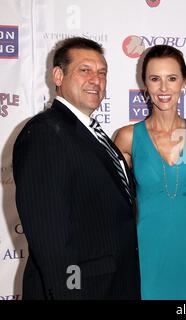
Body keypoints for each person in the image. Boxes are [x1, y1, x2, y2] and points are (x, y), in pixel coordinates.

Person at [13, 37, 140, 299]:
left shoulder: (93, 134)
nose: (96, 79)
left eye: (102, 73)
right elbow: (50, 237)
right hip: (82, 290)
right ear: (58, 75)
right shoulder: (45, 133)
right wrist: (72, 292)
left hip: (113, 284)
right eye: (85, 70)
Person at [114, 45, 186, 300]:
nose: (163, 88)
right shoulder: (128, 138)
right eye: (155, 79)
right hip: (147, 253)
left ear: (184, 82)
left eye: (172, 78)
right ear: (144, 84)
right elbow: (117, 203)